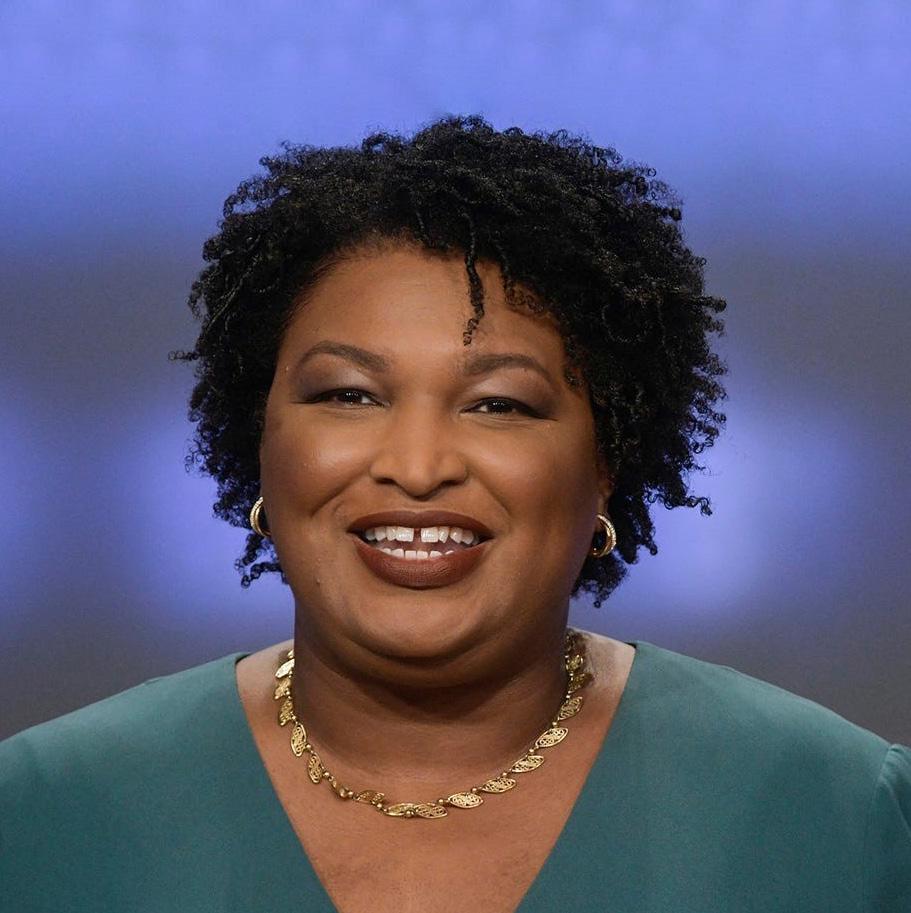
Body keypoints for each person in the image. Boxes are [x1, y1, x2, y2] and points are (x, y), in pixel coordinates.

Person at [0, 115, 908, 912]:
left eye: (498, 404)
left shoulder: (837, 812)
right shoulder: (45, 813)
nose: (417, 465)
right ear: (260, 441)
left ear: (605, 465)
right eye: (349, 394)